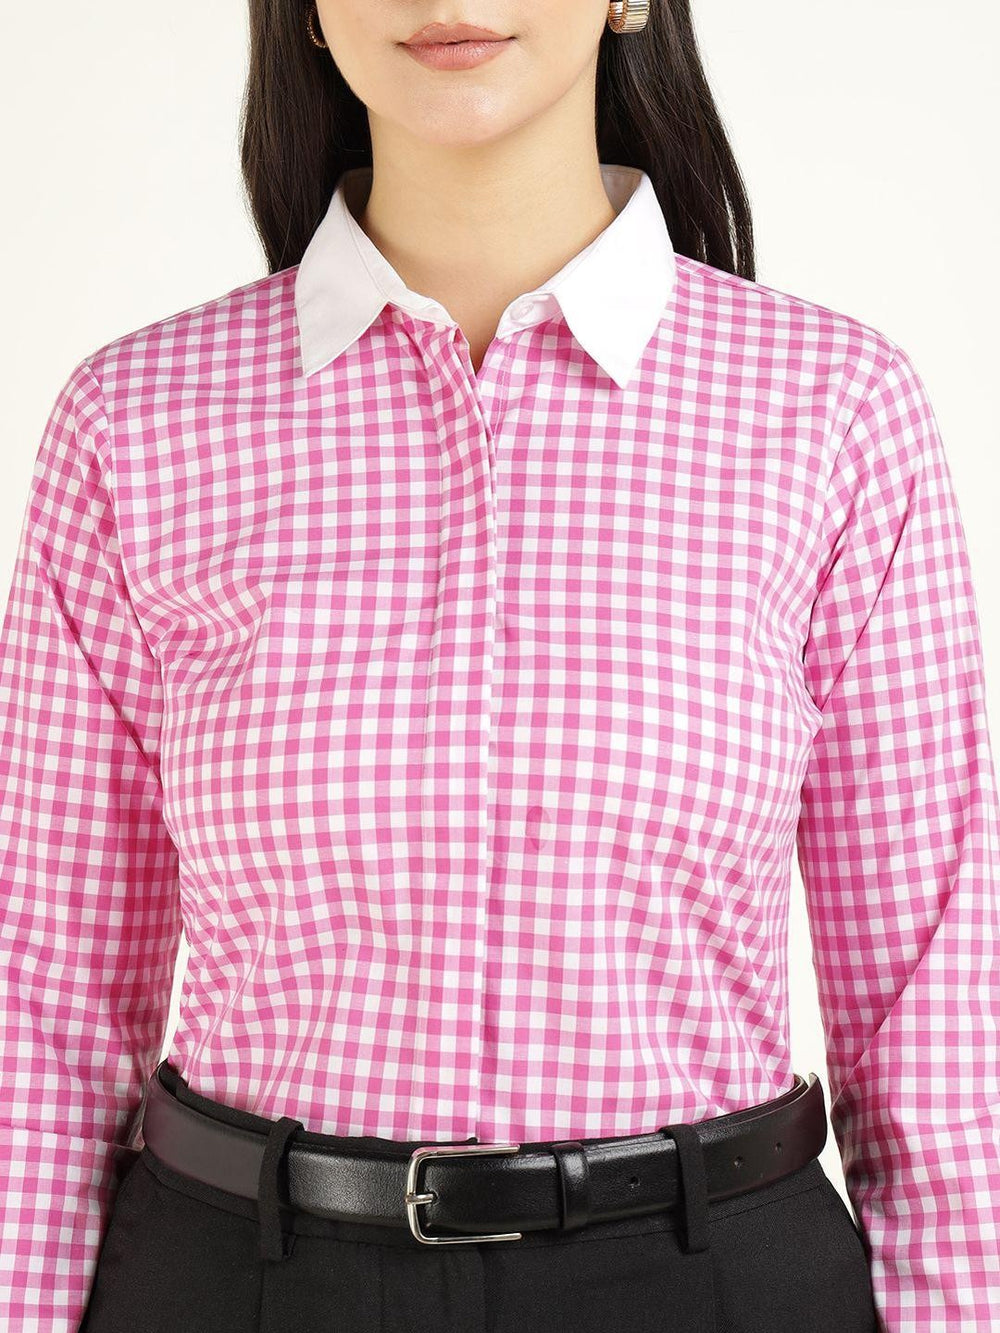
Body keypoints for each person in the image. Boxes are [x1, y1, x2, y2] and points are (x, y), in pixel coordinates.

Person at [1, 1, 997, 1330]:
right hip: (245, 1284)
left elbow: (936, 1011)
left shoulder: (834, 412)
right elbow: (39, 1004)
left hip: (705, 1286)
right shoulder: (136, 425)